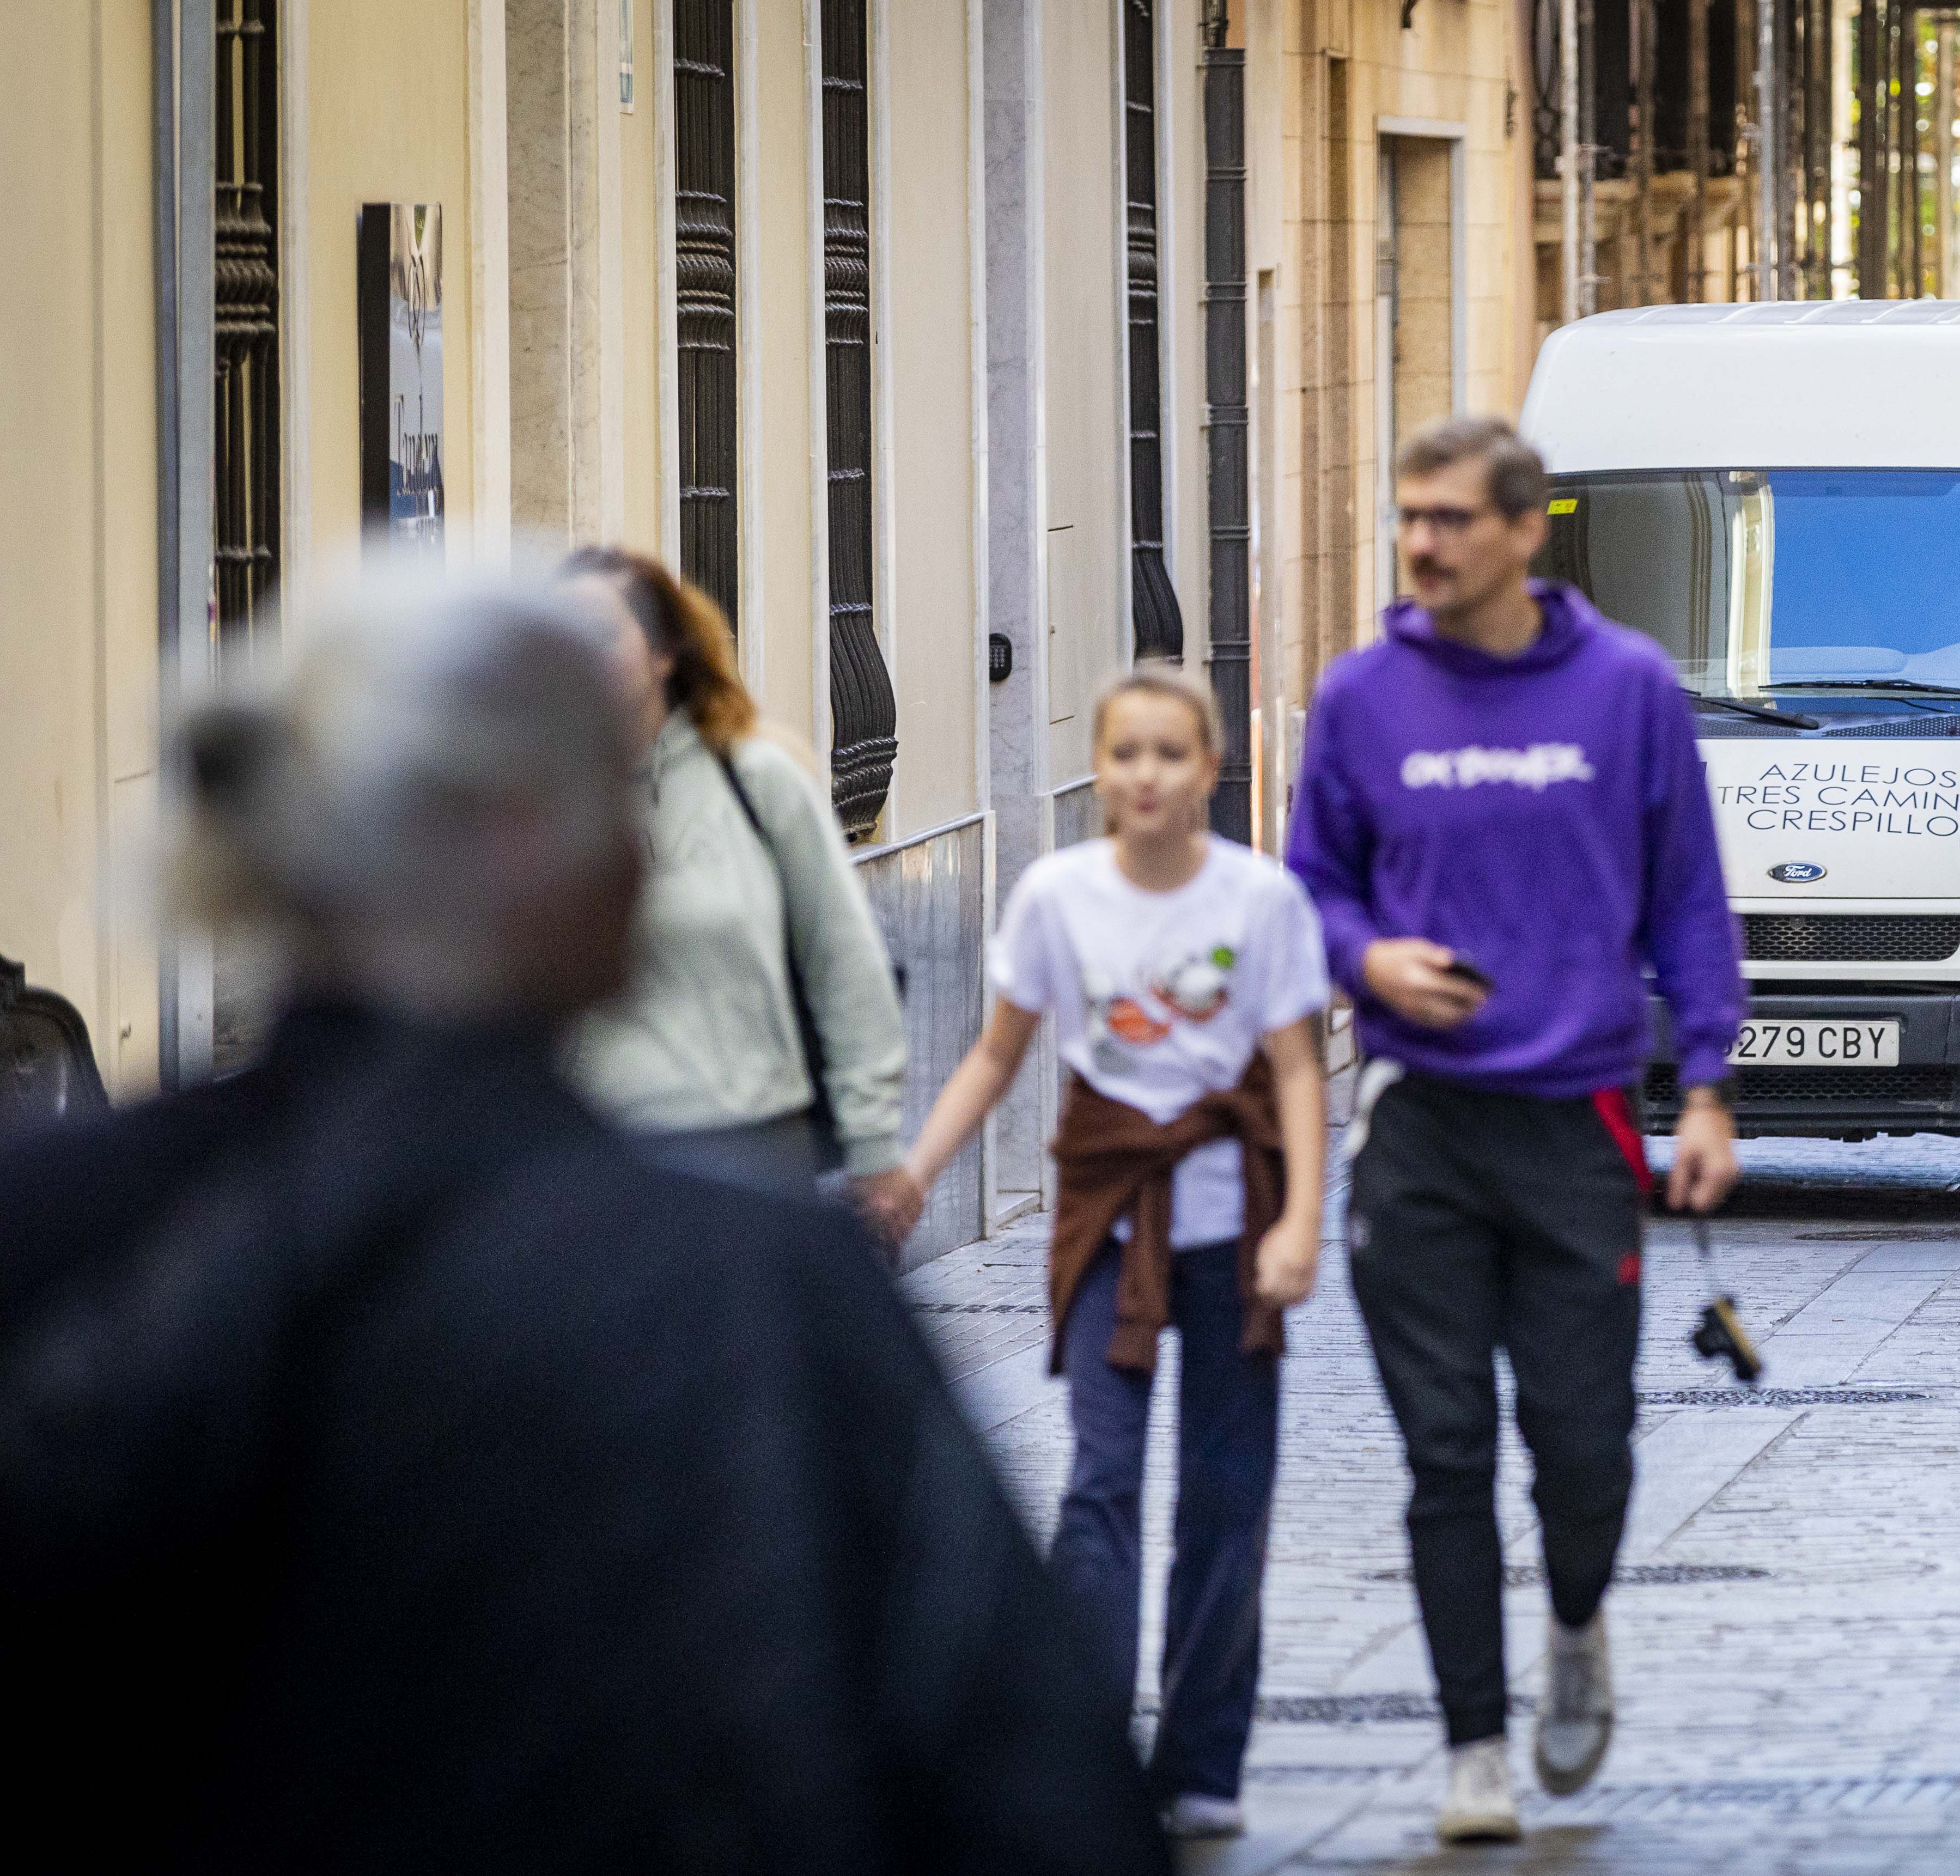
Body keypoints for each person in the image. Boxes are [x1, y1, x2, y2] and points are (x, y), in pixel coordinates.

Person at [0, 586, 1168, 1872]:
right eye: (622, 800)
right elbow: (1032, 1792)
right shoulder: (754, 1297)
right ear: (533, 844)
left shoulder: (57, 1214)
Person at [1285, 416, 1743, 1845]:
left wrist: (1708, 1085)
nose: (1420, 542)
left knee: (1582, 1444)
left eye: (1449, 518)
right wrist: (1366, 959)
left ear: (1520, 529)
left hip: (1576, 1121)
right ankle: (1473, 1745)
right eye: (1407, 515)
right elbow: (1310, 887)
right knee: (1444, 1451)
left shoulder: (1625, 688)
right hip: (1416, 1122)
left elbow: (1687, 894)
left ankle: (1575, 1620)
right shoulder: (1360, 697)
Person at [896, 667, 1329, 1841]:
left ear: (1210, 767)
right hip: (1108, 1223)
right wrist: (917, 1171)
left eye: (1169, 753)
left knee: (1225, 1489)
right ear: (1098, 767)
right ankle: (1085, 1753)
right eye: (1125, 752)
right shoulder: (1057, 895)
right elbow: (996, 1056)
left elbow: (1297, 1069)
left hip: (1233, 1220)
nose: (1145, 775)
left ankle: (1201, 1756)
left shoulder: (1259, 901)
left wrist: (1299, 1222)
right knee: (1100, 1483)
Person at [554, 548, 921, 1244]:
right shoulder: (541, 802)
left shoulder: (755, 779)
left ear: (663, 653)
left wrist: (873, 1145)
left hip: (746, 1154)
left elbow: (844, 960)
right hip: (590, 1162)